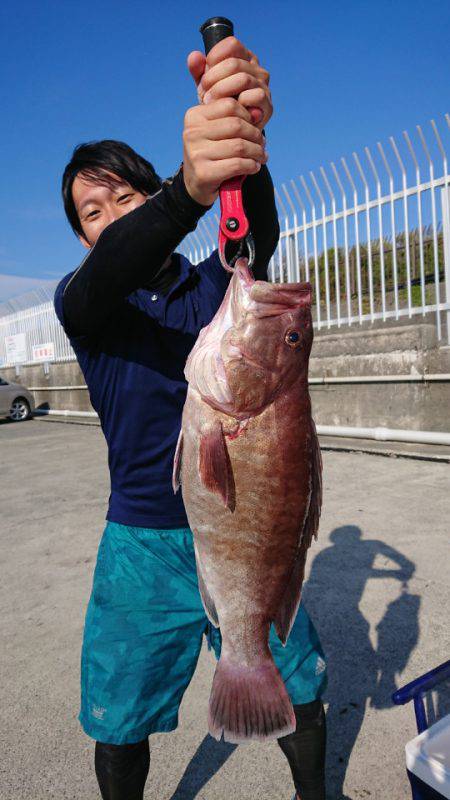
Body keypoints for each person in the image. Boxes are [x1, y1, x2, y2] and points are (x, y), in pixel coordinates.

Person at [54, 35, 327, 800]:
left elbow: (257, 238)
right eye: (92, 212)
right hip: (140, 541)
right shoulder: (87, 305)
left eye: (125, 199)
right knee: (119, 715)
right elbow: (111, 269)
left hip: (250, 524)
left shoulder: (218, 290)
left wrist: (243, 139)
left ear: (147, 201)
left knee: (297, 676)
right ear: (82, 237)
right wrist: (184, 193)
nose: (110, 218)